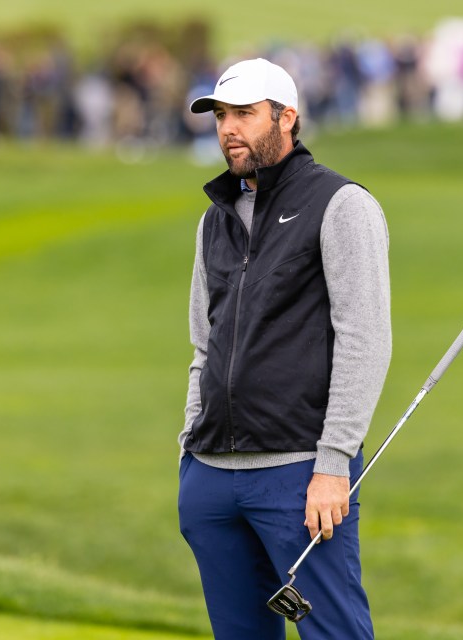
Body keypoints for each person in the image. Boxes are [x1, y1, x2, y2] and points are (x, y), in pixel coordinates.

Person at [177, 58, 391, 639]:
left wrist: (333, 464)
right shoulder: (213, 221)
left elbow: (364, 339)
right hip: (211, 476)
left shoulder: (341, 205)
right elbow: (205, 341)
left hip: (300, 476)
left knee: (336, 633)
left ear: (287, 117)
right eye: (221, 115)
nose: (228, 129)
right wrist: (189, 454)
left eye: (244, 114)